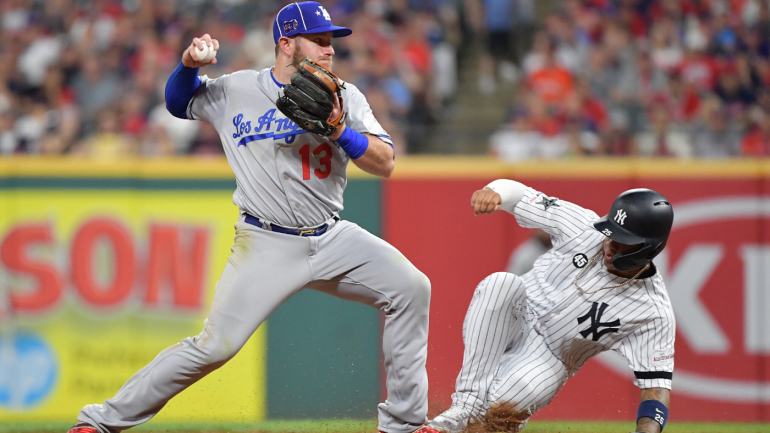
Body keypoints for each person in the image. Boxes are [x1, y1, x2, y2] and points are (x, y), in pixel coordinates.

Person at [67, 3, 435, 433]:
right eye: (318, 41)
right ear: (285, 44)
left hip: (332, 237)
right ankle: (101, 422)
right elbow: (177, 102)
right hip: (266, 242)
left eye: (330, 42)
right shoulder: (236, 89)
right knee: (214, 347)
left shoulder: (345, 97)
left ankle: (405, 424)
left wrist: (339, 131)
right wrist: (187, 64)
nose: (329, 50)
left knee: (412, 287)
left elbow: (386, 162)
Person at [429, 180, 675, 433]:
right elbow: (522, 195)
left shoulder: (652, 312)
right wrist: (495, 191)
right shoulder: (583, 226)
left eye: (623, 239)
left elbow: (655, 389)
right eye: (610, 231)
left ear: (649, 248)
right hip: (517, 313)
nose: (610, 243)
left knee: (499, 413)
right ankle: (461, 408)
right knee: (501, 283)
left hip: (550, 356)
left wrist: (648, 431)